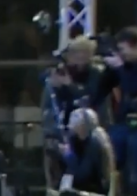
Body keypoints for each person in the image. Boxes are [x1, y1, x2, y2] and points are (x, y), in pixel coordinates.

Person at [42, 37, 103, 188]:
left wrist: (70, 86)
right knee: (54, 148)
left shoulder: (96, 74)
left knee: (91, 147)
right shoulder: (60, 72)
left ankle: (82, 183)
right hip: (63, 130)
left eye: (83, 53)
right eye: (75, 54)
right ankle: (59, 189)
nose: (79, 58)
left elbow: (89, 99)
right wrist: (55, 85)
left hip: (88, 127)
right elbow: (48, 109)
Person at [95, 27, 137, 196]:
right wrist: (109, 69)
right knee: (108, 145)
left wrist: (121, 68)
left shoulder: (132, 68)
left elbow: (134, 86)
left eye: (123, 50)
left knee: (136, 153)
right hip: (125, 124)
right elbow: (101, 90)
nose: (121, 54)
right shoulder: (122, 66)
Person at [61, 108, 114, 195]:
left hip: (97, 191)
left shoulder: (95, 141)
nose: (74, 133)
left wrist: (67, 157)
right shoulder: (99, 134)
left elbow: (83, 175)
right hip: (95, 187)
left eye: (76, 129)